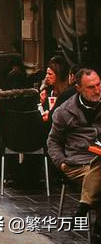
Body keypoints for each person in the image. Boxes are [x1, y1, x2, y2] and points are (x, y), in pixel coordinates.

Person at [47, 69, 101, 239]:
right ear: (78, 88)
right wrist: (61, 162)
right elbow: (52, 141)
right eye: (91, 87)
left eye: (99, 85)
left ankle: (84, 206)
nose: (97, 90)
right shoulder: (64, 111)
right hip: (78, 162)